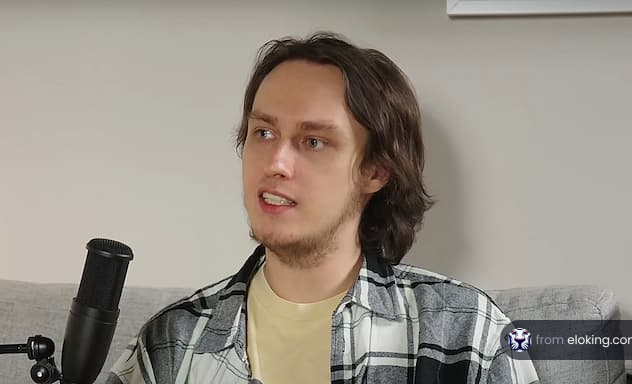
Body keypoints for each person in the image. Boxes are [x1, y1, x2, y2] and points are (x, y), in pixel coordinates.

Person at [106, 32, 539, 384]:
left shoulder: (470, 333)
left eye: (313, 141)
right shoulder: (171, 343)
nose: (275, 163)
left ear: (376, 171)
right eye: (263, 133)